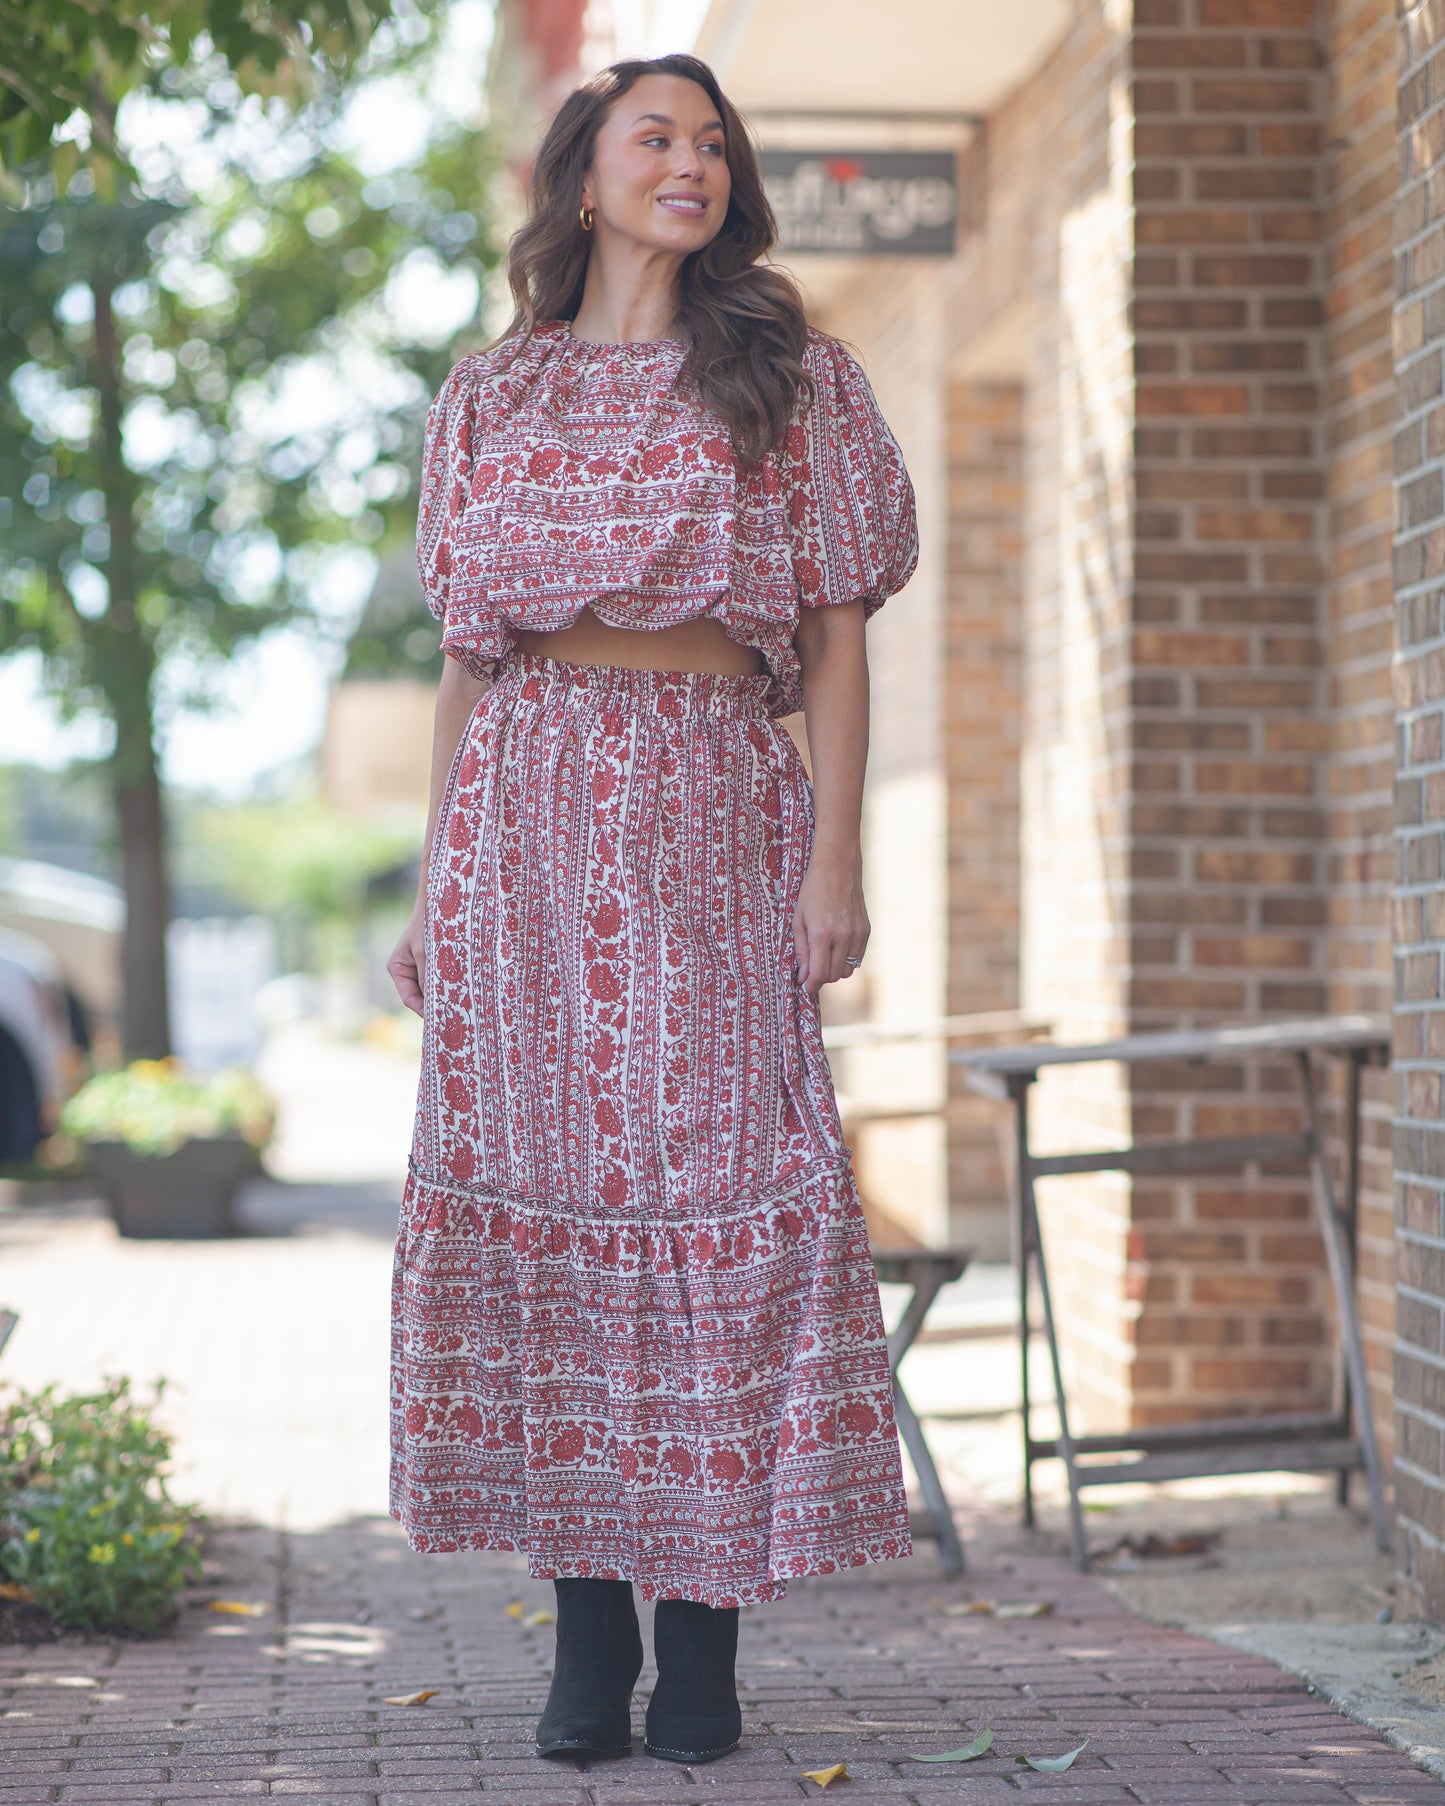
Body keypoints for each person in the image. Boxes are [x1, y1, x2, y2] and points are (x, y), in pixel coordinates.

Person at [386, 51, 918, 1768]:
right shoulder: (490, 394)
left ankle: (704, 1642)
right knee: (539, 1214)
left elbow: (835, 639)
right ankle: (584, 1635)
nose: (689, 163)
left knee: (729, 1198)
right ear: (586, 174)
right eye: (654, 138)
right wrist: (429, 883)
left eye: (712, 143)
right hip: (521, 832)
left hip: (709, 809)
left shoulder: (793, 378)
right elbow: (472, 662)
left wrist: (834, 861)